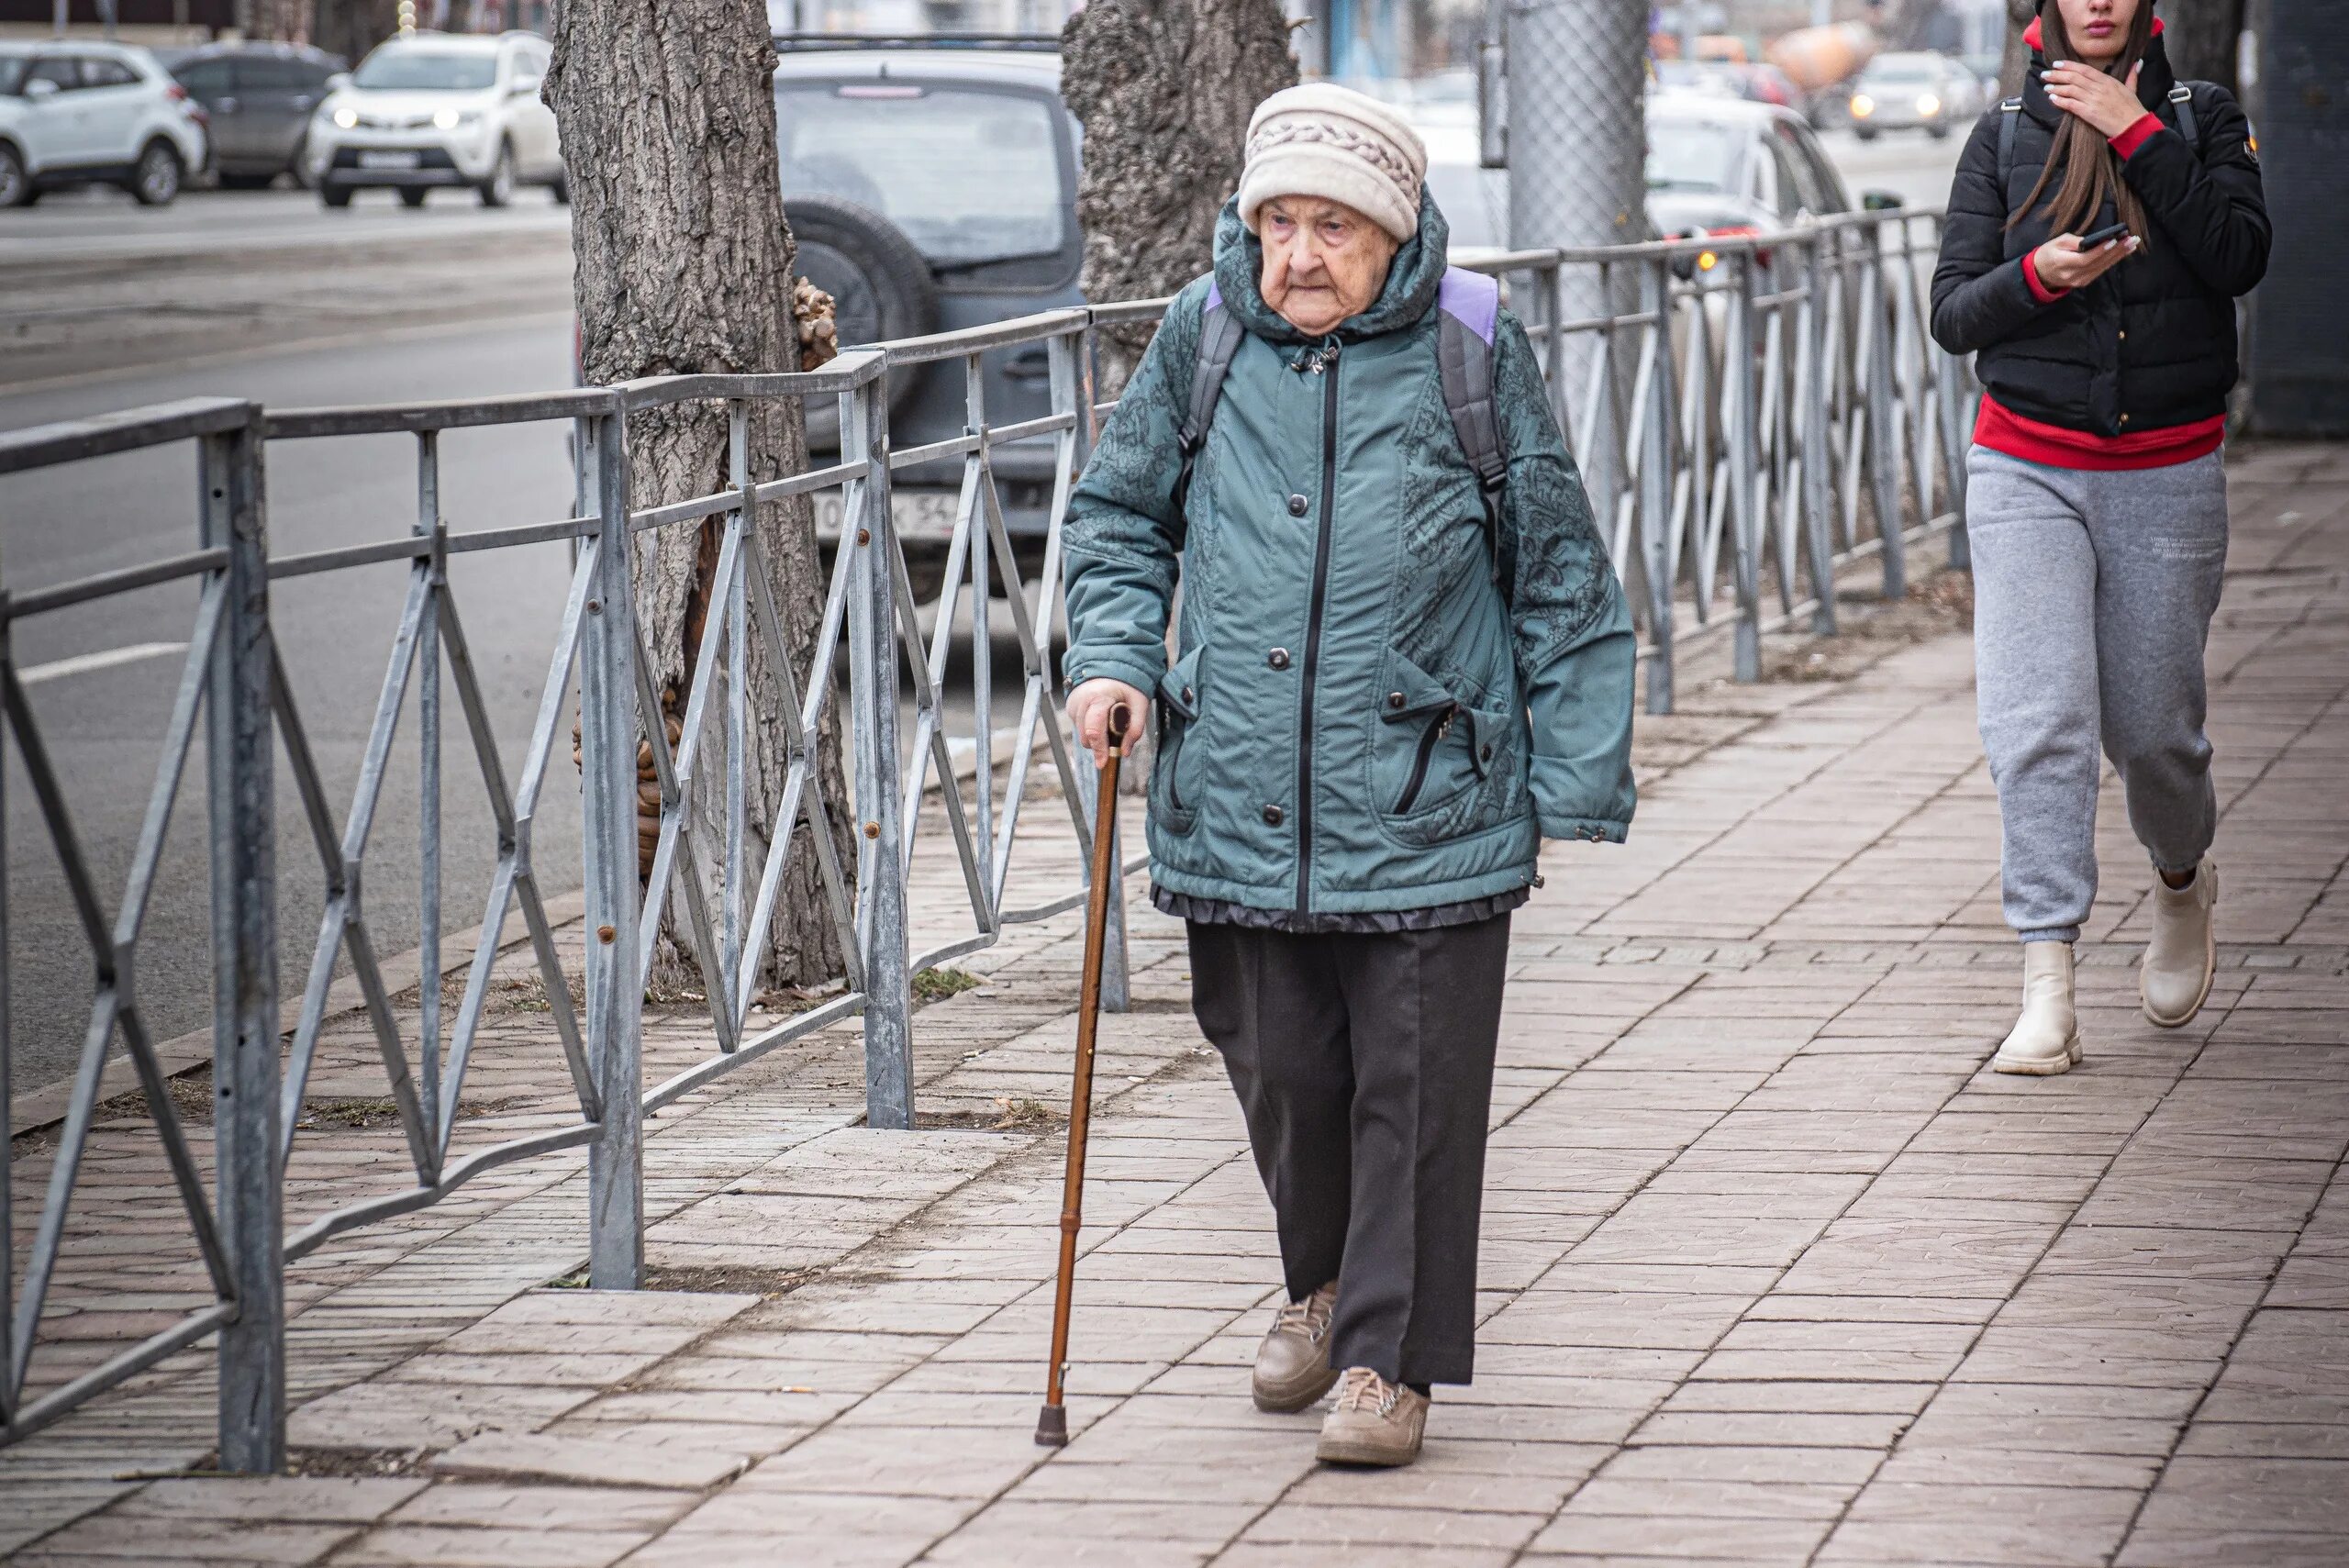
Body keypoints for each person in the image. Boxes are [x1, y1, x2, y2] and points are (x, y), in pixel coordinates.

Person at [1059, 83, 1635, 1467]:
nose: (1301, 255)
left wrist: (1572, 777)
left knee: (1416, 1095)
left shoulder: (1470, 349)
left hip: (1431, 793)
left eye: (1333, 226)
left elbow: (1556, 565)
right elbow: (1119, 516)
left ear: (1394, 231)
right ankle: (1320, 1283)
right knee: (1285, 1075)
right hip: (1238, 796)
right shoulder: (1201, 343)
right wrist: (1114, 657)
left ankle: (1389, 1361)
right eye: (1279, 223)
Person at [1931, 0, 2267, 1075]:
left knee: (2153, 728)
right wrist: (2039, 278)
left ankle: (2180, 877)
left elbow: (2236, 255)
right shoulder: (1999, 137)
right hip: (2025, 461)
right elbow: (1950, 313)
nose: (2096, 1)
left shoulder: (2202, 117)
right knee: (2037, 721)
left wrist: (2134, 130)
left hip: (2165, 465)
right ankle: (2047, 979)